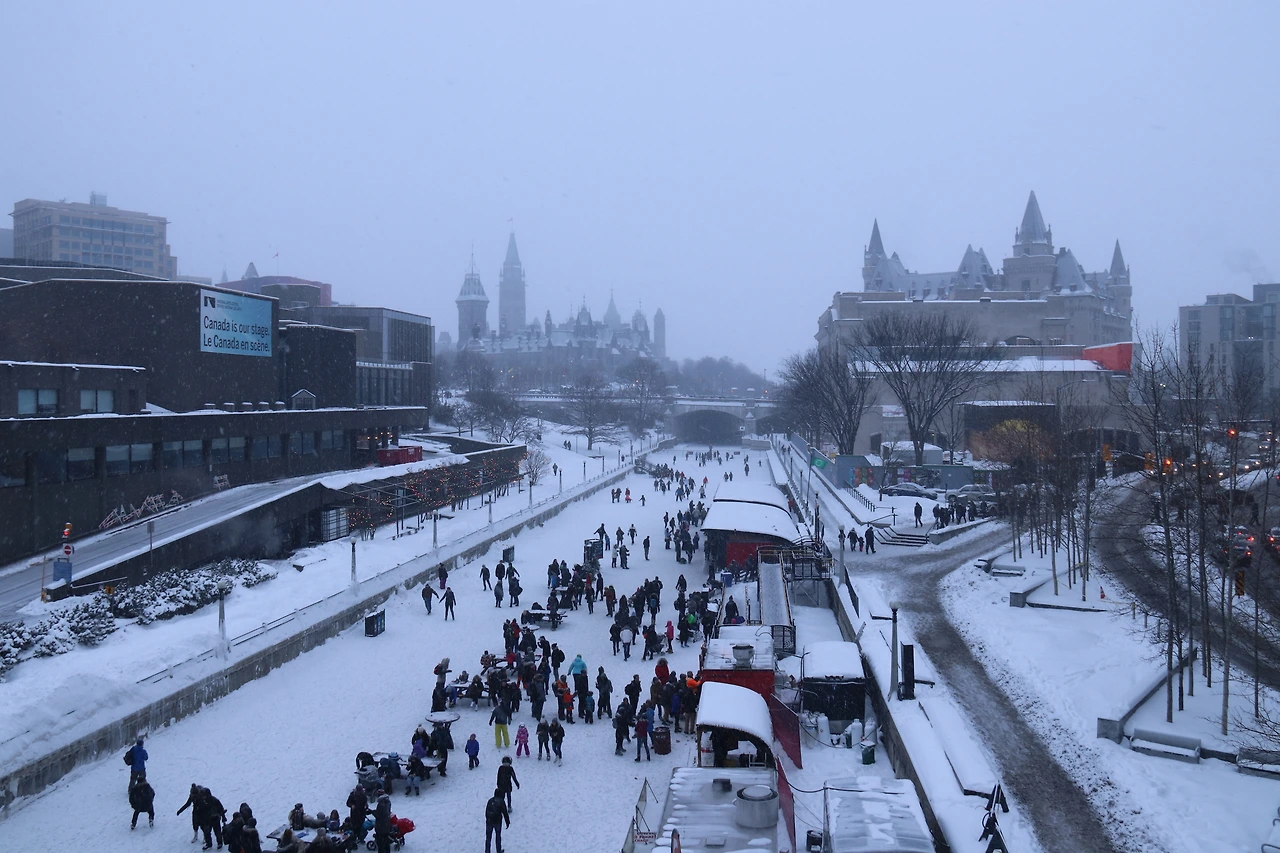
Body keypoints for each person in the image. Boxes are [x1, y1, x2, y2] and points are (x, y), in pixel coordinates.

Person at [485, 787, 510, 853]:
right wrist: (507, 822)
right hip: (497, 821)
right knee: (498, 836)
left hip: (489, 821)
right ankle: (498, 850)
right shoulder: (501, 801)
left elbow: (486, 811)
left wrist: (488, 819)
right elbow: (505, 812)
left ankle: (487, 851)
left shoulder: (490, 800)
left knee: (488, 837)